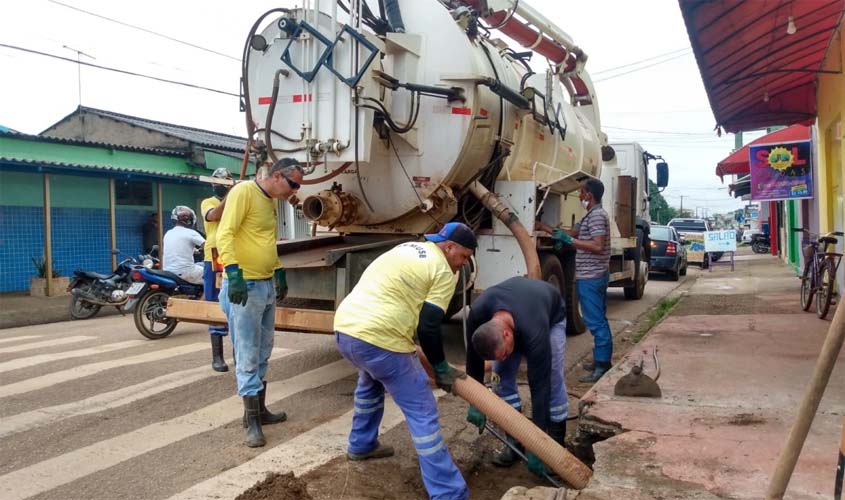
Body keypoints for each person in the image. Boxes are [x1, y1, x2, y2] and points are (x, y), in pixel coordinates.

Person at [333, 222, 476, 500]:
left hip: (345, 331)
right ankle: (448, 493)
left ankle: (361, 444)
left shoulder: (408, 249)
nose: (464, 263)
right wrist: (442, 368)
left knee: (370, 381)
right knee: (423, 412)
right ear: (449, 247)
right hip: (380, 340)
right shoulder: (443, 270)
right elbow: (429, 326)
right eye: (464, 256)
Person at [216, 158, 303, 447]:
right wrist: (233, 272)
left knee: (264, 349)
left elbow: (266, 240)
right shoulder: (243, 192)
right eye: (293, 184)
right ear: (277, 175)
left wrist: (278, 271)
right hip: (246, 285)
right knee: (247, 352)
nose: (294, 191)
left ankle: (260, 411)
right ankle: (250, 422)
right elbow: (225, 233)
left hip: (264, 284)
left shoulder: (271, 201)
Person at [463, 276, 568, 477]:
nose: (505, 357)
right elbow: (473, 361)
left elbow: (540, 387)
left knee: (553, 380)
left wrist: (540, 447)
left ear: (507, 335)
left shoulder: (534, 330)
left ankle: (556, 446)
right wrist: (474, 401)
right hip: (518, 311)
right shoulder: (477, 314)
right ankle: (514, 442)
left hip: (550, 316)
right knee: (500, 376)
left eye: (503, 353)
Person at [540, 178, 612, 383]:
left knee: (596, 322)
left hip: (592, 275)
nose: (579, 196)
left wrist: (570, 242)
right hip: (591, 274)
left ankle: (602, 365)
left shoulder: (597, 216)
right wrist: (545, 228)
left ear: (589, 195)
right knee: (597, 319)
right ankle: (601, 360)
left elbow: (597, 246)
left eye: (581, 192)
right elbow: (570, 234)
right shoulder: (590, 215)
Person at [200, 167, 234, 372]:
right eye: (219, 183)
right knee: (214, 303)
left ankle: (238, 353)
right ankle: (217, 356)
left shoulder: (235, 201)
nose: (221, 187)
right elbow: (213, 216)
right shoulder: (209, 202)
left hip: (234, 255)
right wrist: (231, 197)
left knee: (236, 304)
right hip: (213, 258)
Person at [162, 206, 205, 284]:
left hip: (168, 271)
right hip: (185, 271)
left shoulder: (168, 233)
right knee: (212, 275)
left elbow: (177, 248)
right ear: (190, 220)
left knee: (199, 265)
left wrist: (192, 250)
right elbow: (208, 246)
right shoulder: (191, 233)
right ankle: (205, 296)